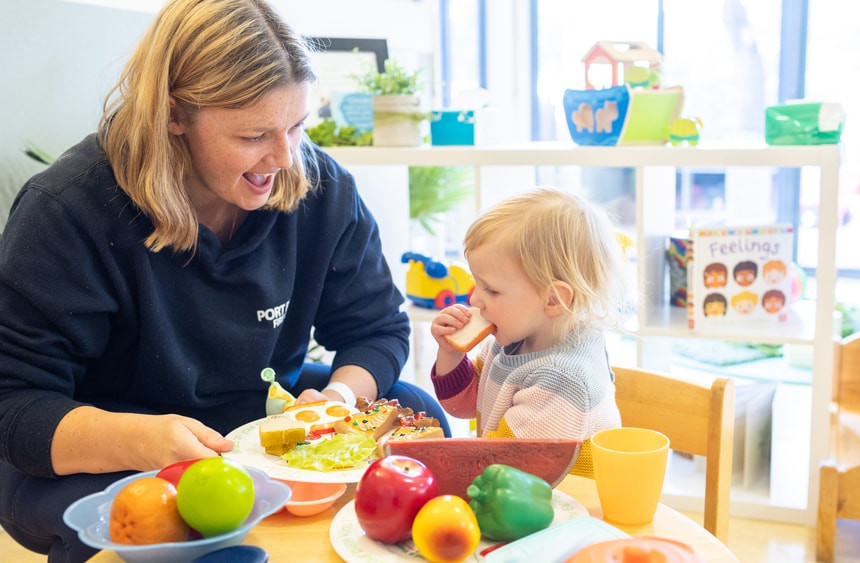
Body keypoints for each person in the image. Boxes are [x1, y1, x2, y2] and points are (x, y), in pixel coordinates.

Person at [0, 0, 447, 560]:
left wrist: (336, 399)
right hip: (113, 444)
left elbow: (376, 327)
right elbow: (14, 405)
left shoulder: (320, 186)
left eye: (297, 125)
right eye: (254, 135)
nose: (285, 157)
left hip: (260, 414)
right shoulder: (66, 210)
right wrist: (141, 441)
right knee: (170, 517)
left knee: (412, 409)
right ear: (173, 116)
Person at [429, 187, 629, 478]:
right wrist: (451, 354)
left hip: (566, 508)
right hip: (518, 491)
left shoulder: (562, 380)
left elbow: (501, 467)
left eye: (491, 290)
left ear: (554, 300)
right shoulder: (511, 338)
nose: (474, 300)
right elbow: (465, 405)